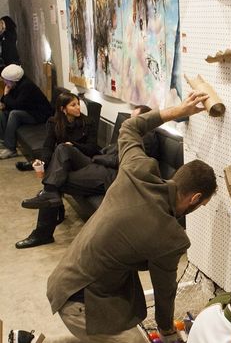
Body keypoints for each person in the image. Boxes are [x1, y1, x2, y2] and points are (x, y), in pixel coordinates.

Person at [10, 90, 217, 343]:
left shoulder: (136, 170)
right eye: (199, 206)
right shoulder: (171, 237)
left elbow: (129, 128)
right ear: (195, 198)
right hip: (84, 302)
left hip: (65, 280)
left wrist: (178, 111)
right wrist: (170, 334)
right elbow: (164, 295)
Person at [16, 104, 151, 249]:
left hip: (109, 175)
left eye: (133, 119)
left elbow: (123, 161)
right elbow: (109, 150)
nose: (128, 122)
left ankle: (43, 232)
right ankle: (51, 197)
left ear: (145, 120)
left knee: (56, 180)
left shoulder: (148, 138)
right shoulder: (131, 132)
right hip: (98, 165)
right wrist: (99, 155)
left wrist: (97, 157)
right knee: (63, 148)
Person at [0, 64, 53, 159]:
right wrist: (5, 97)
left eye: (6, 80)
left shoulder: (26, 86)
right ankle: (5, 141)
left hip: (40, 115)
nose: (4, 82)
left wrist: (6, 95)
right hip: (29, 111)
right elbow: (7, 103)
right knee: (3, 113)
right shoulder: (15, 85)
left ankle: (11, 149)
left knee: (14, 114)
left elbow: (16, 105)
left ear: (13, 80)